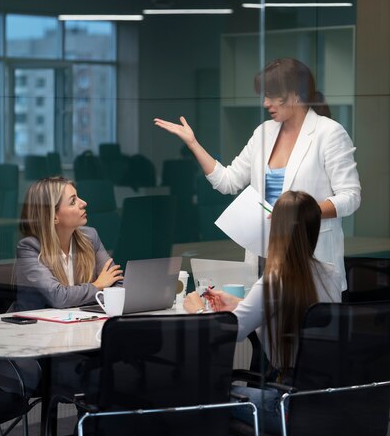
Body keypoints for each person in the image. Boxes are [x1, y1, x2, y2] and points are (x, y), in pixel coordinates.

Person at [183, 191, 348, 436]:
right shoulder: (331, 274)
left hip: (287, 409)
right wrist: (238, 302)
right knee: (269, 389)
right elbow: (272, 310)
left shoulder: (273, 280)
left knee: (219, 396)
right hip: (327, 405)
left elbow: (231, 332)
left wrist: (195, 308)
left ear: (277, 230)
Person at [154, 57, 361, 291]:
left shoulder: (329, 133)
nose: (265, 103)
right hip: (264, 259)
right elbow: (227, 181)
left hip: (309, 258)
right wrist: (193, 144)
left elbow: (351, 197)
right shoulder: (264, 132)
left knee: (306, 326)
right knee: (263, 326)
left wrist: (304, 211)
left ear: (295, 94)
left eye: (272, 96)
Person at [12, 177, 127, 436]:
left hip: (82, 341)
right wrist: (97, 285)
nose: (84, 204)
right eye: (74, 200)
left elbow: (114, 283)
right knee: (98, 378)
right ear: (53, 216)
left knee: (125, 370)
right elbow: (59, 297)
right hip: (41, 354)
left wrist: (102, 285)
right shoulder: (30, 248)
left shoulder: (88, 236)